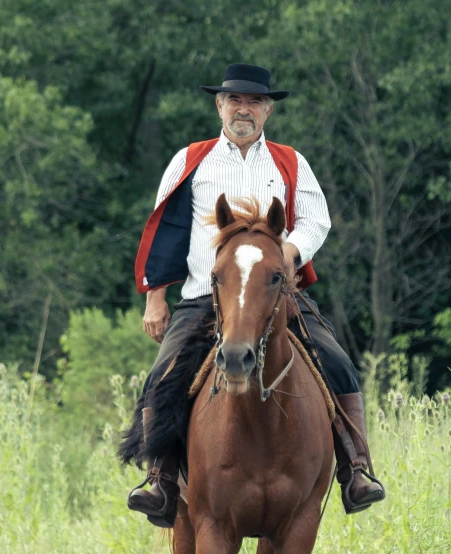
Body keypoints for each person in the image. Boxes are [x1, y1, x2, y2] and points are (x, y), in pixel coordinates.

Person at [127, 63, 385, 527]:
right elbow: (164, 227)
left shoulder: (289, 161)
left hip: (275, 296)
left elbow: (316, 220)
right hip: (207, 297)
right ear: (219, 106)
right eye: (234, 100)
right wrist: (155, 297)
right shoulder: (191, 159)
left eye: (253, 102)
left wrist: (287, 252)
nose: (243, 109)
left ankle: (356, 468)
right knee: (161, 375)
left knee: (338, 362)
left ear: (267, 110)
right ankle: (160, 479)